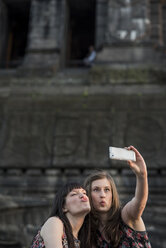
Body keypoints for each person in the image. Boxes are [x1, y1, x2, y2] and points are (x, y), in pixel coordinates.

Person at [84, 146, 151, 248]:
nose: (102, 195)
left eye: (107, 190)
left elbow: (139, 203)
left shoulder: (125, 216)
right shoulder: (87, 230)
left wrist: (142, 176)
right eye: (96, 190)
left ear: (112, 194)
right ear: (88, 195)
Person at [30, 182, 91, 248]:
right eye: (74, 194)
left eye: (84, 193)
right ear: (63, 207)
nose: (83, 195)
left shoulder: (82, 236)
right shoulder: (54, 222)